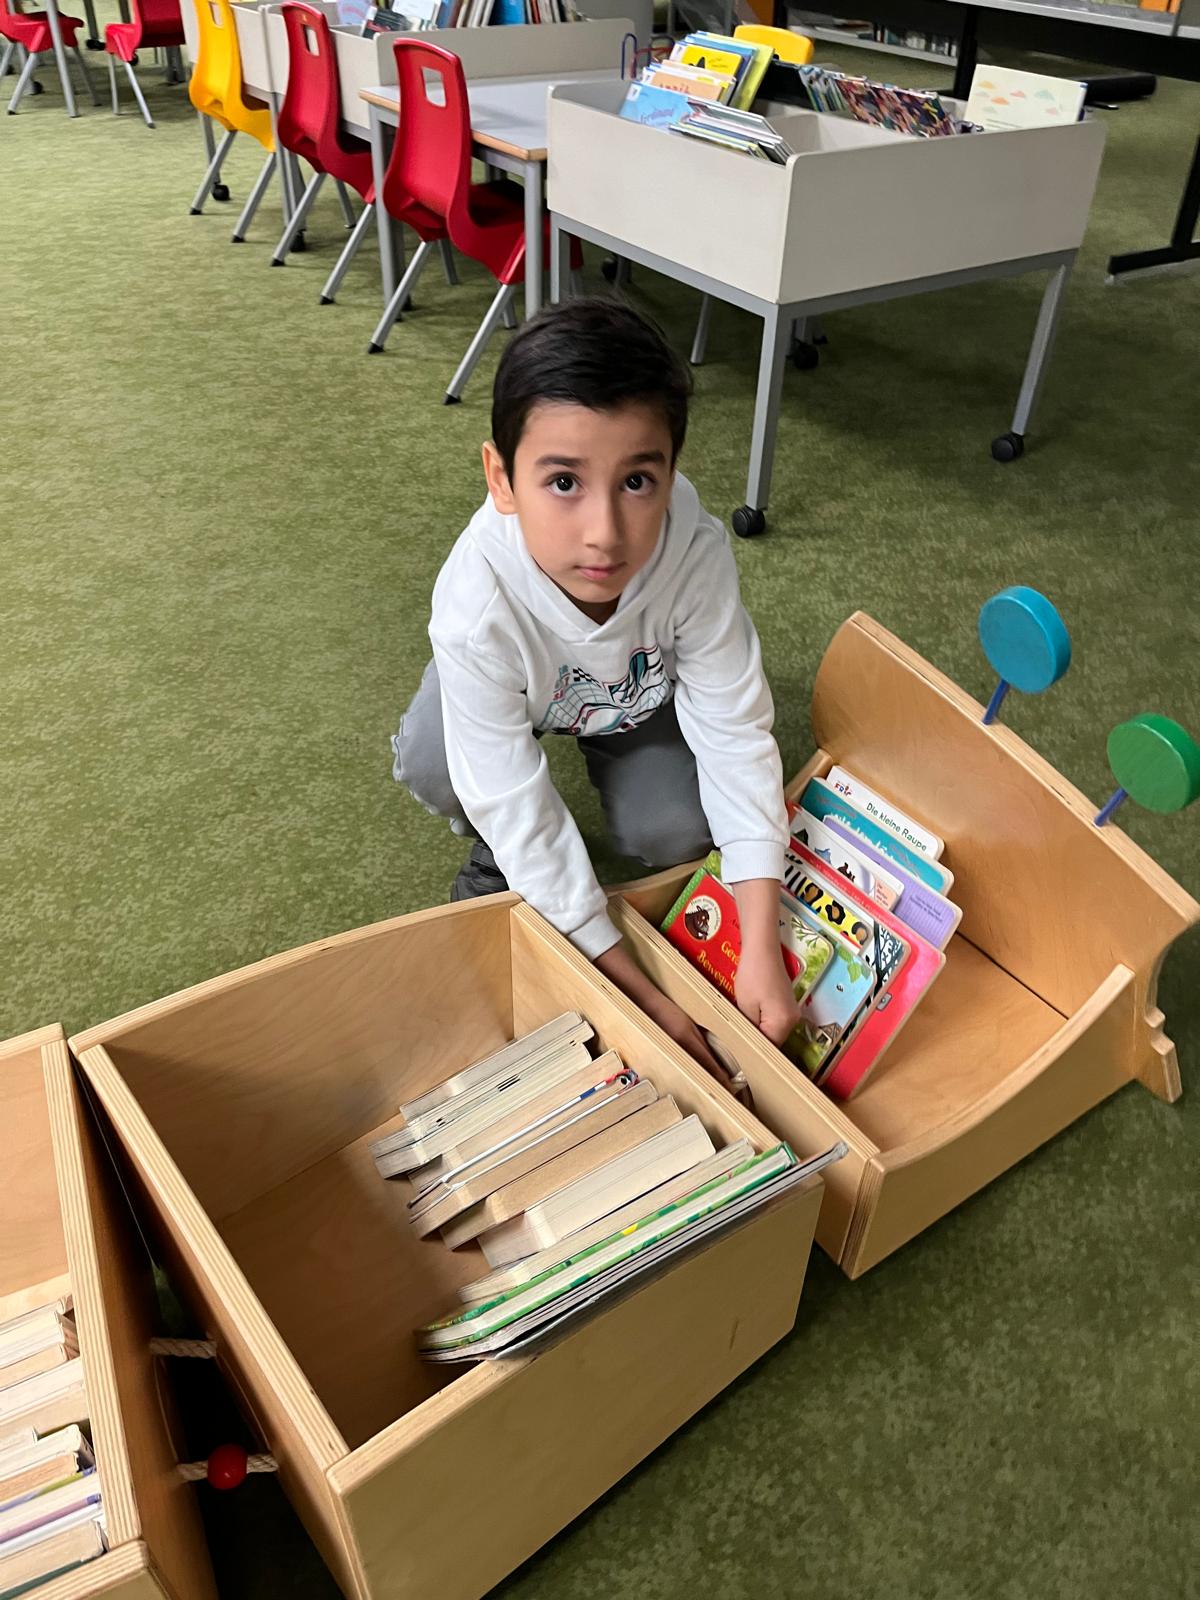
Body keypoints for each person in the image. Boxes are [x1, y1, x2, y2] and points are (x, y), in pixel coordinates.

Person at [392, 297, 799, 1078]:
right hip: (521, 684)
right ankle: (499, 860)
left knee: (672, 832)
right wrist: (640, 994)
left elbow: (735, 731)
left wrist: (761, 940)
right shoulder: (476, 604)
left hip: (632, 699)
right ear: (501, 478)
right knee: (439, 764)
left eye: (637, 481)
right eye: (563, 482)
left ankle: (577, 796)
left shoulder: (694, 554)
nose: (604, 533)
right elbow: (505, 792)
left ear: (672, 470)